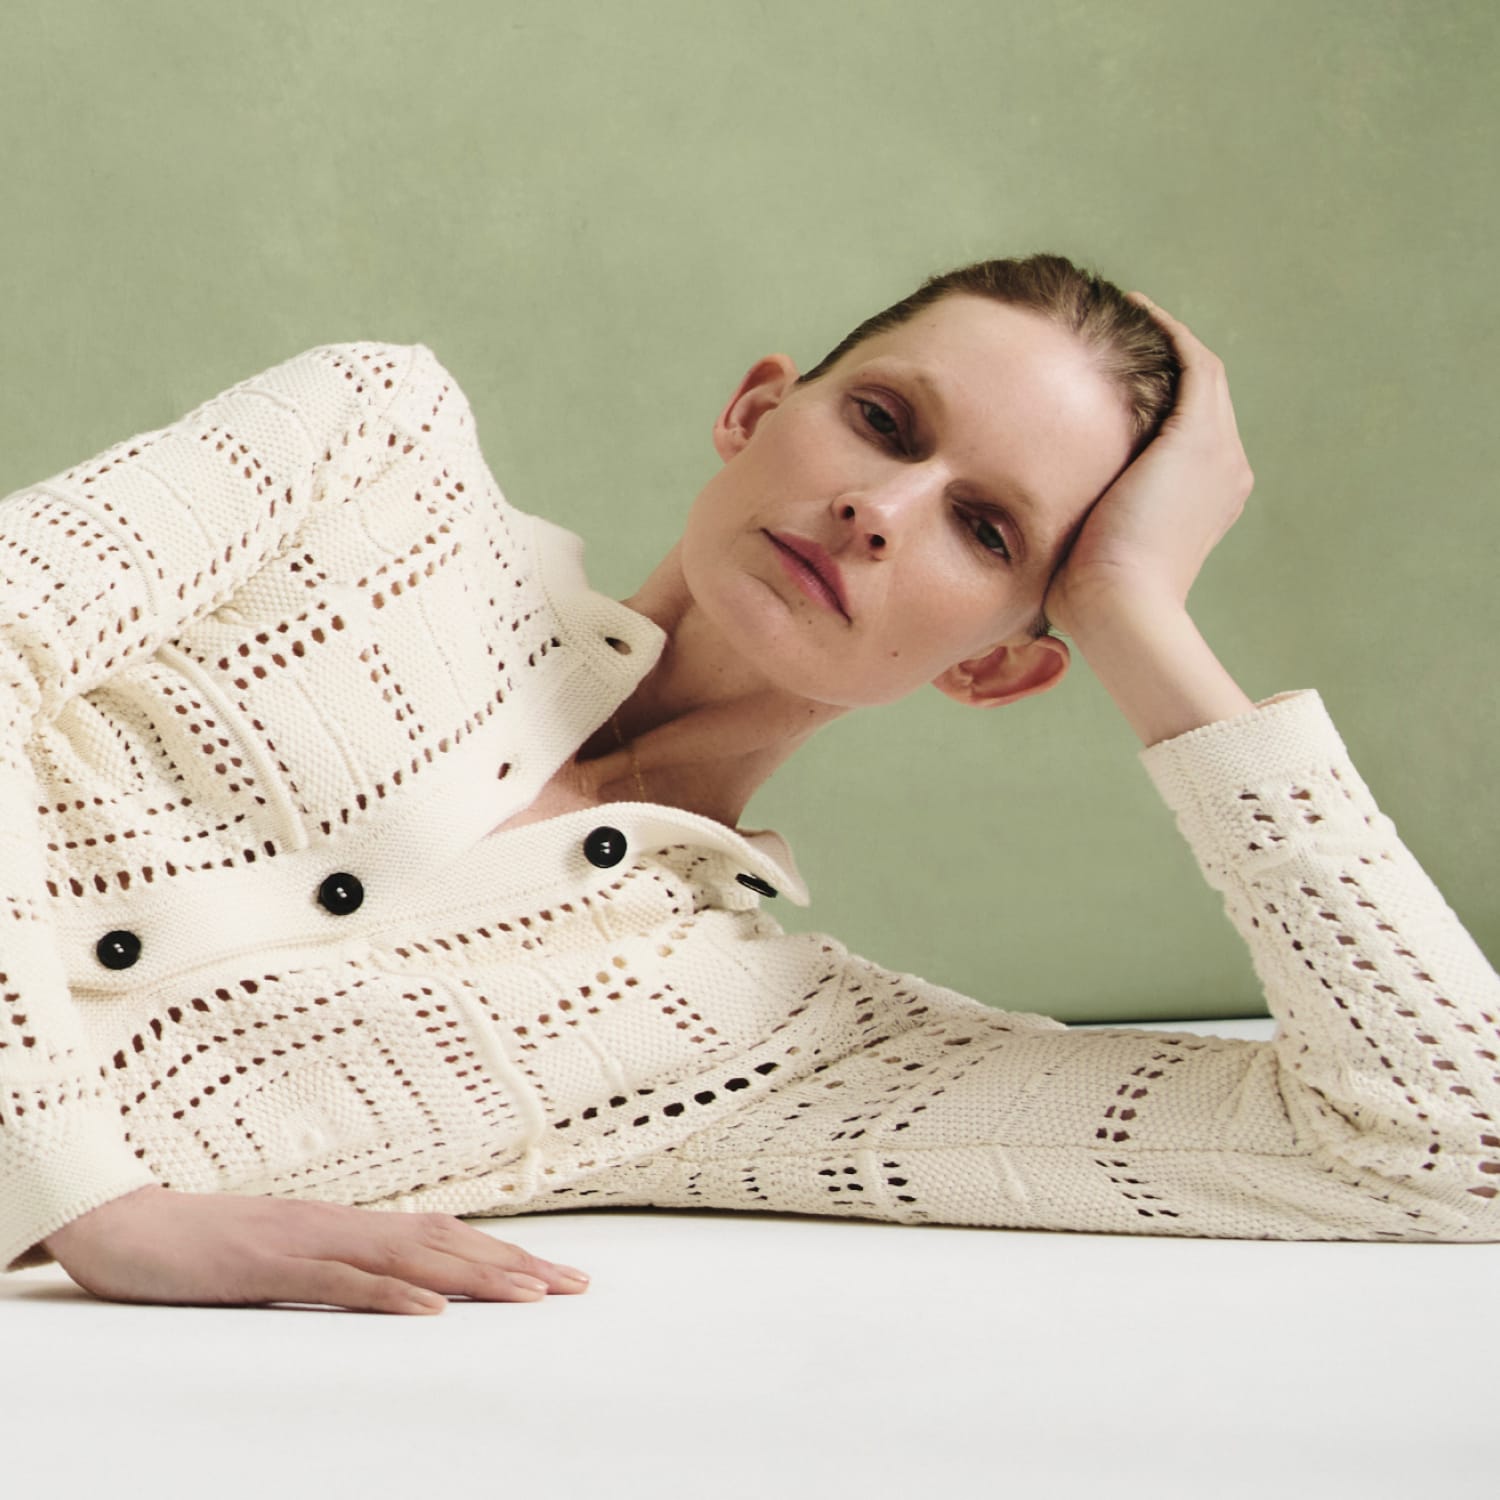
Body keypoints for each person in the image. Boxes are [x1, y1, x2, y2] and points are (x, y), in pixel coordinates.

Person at [3, 255, 1496, 1317]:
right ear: (756, 408)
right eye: (885, 424)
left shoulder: (765, 1048)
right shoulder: (371, 450)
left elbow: (1449, 1151)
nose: (877, 509)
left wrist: (1139, 620)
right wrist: (89, 1198)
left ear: (998, 667)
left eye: (984, 532)